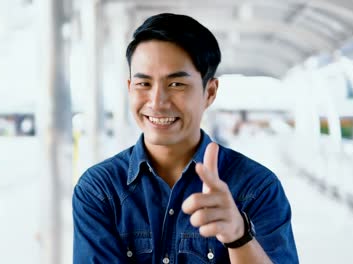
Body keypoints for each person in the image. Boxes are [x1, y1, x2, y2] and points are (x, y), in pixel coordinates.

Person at [73, 13, 299, 263]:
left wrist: (238, 236)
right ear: (129, 88)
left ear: (209, 92)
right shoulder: (100, 190)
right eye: (144, 84)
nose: (157, 103)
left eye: (176, 84)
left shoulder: (255, 188)